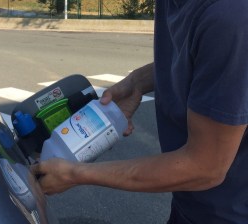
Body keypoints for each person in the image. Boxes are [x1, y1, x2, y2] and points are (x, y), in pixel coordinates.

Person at [31, 0, 248, 223]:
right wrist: (137, 82)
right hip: (190, 206)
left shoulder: (230, 17)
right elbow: (196, 57)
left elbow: (205, 167)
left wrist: (76, 173)